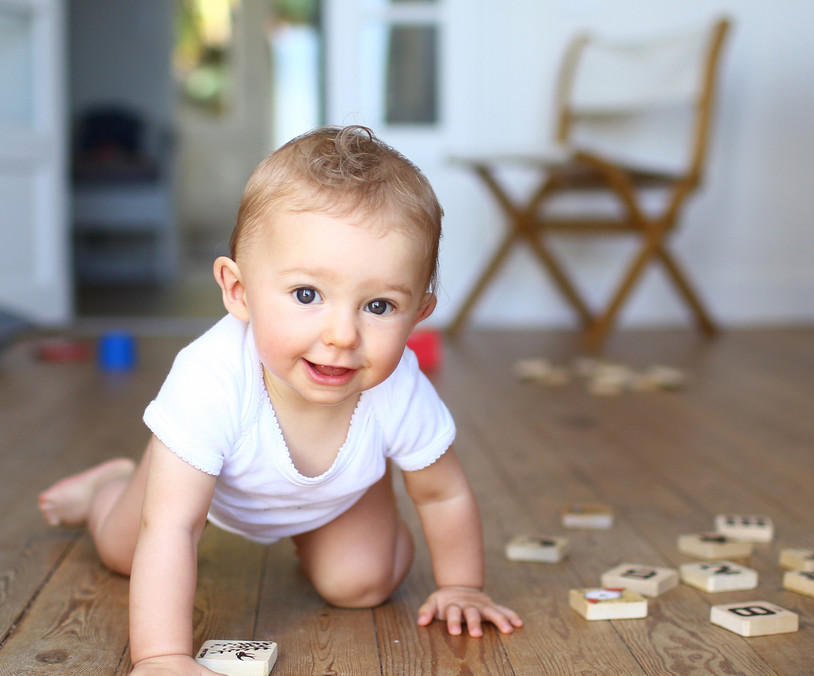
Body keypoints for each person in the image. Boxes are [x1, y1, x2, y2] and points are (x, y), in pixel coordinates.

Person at [38, 125, 522, 675]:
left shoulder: (398, 384)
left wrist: (462, 585)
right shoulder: (210, 377)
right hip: (203, 484)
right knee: (126, 551)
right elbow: (173, 527)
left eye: (380, 306)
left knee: (363, 584)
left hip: (337, 494)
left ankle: (351, 506)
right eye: (307, 295)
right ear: (239, 291)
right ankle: (106, 487)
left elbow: (442, 494)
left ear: (418, 316)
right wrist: (162, 657)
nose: (342, 335)